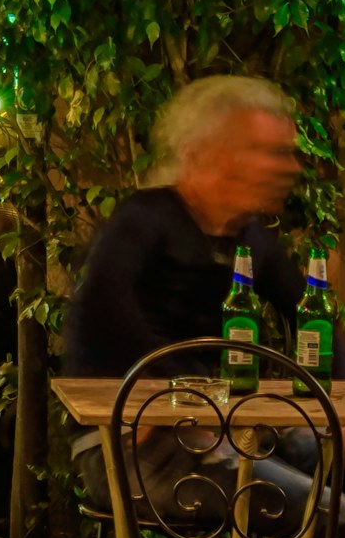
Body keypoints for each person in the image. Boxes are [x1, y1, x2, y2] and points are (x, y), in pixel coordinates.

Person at [67, 76, 326, 376]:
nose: (291, 168)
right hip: (124, 412)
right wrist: (184, 388)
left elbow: (310, 318)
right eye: (272, 154)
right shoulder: (145, 218)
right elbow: (101, 315)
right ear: (210, 155)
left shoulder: (253, 240)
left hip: (198, 411)